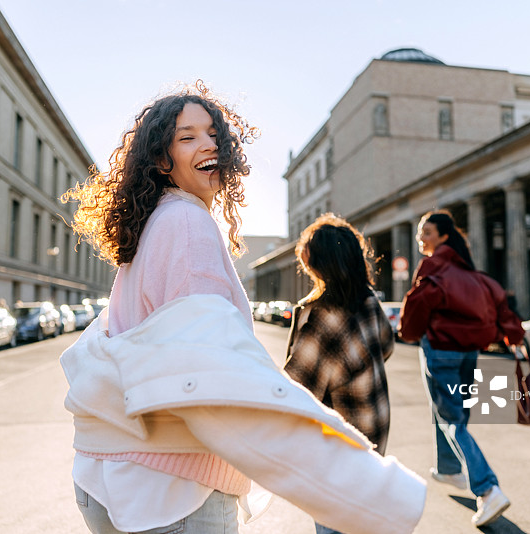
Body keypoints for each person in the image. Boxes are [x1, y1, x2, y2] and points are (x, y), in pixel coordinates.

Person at [60, 81, 426, 534]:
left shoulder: (157, 225)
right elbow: (216, 382)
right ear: (160, 159)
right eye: (188, 136)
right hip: (173, 491)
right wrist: (377, 492)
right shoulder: (188, 224)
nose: (209, 143)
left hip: (115, 476)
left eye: (213, 133)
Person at [397, 209, 524, 528]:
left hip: (440, 349)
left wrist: (408, 333)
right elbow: (498, 300)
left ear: (443, 236)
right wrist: (514, 335)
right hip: (468, 352)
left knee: (451, 418)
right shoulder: (467, 270)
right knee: (451, 413)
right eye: (420, 232)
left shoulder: (433, 266)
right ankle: (449, 469)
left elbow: (417, 306)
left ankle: (487, 489)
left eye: (427, 232)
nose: (421, 238)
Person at [284, 214, 395, 534]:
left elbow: (296, 389)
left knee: (335, 524)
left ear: (316, 259)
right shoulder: (370, 299)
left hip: (338, 446)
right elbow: (386, 347)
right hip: (375, 427)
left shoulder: (319, 315)